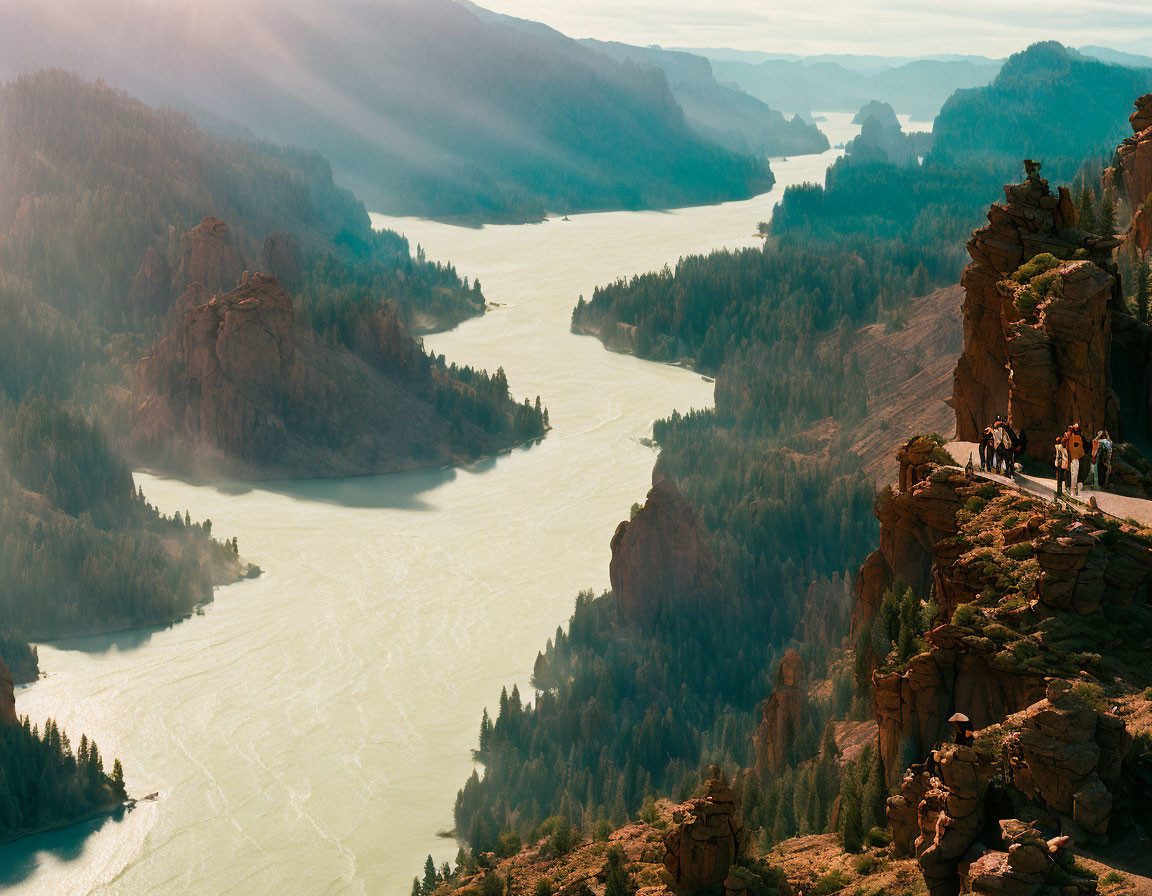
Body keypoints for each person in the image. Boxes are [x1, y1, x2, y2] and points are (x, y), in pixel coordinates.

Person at [1061, 423, 1086, 496]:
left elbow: (1080, 448)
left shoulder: (1078, 437)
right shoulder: (1069, 437)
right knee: (1070, 473)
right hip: (1069, 458)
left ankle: (1073, 490)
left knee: (1075, 474)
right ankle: (1068, 489)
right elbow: (1063, 443)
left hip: (1075, 458)